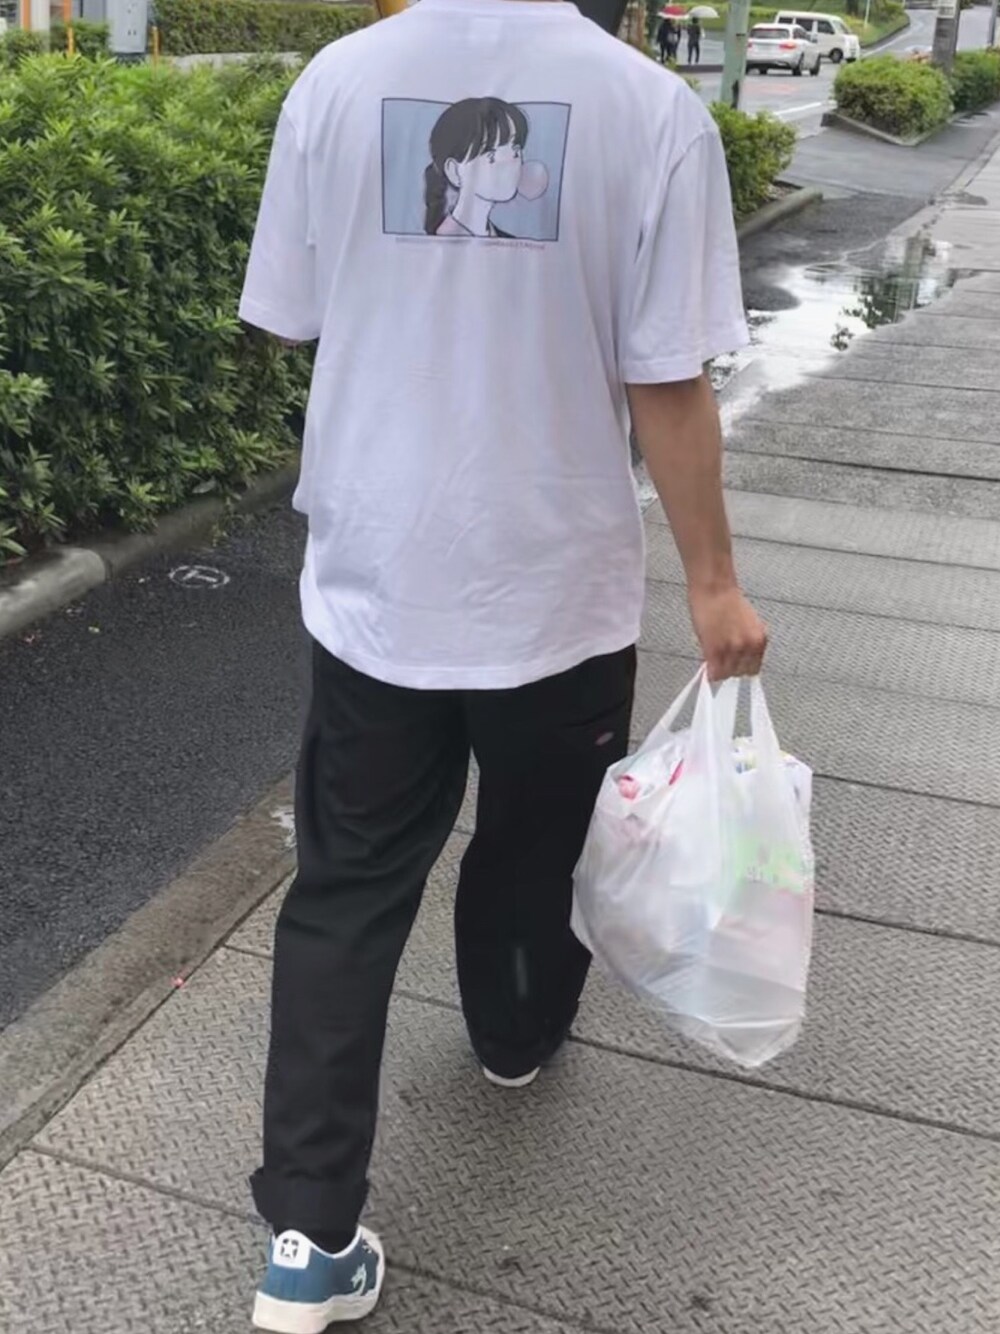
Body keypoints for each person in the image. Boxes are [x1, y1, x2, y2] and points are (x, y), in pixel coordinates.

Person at [239, 0, 767, 1328]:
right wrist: (713, 581)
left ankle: (306, 1236)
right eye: (501, 157)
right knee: (534, 849)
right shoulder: (652, 111)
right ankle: (514, 1034)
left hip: (376, 578)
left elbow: (288, 317)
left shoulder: (336, 83)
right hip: (555, 591)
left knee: (346, 888)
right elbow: (669, 381)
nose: (515, 165)